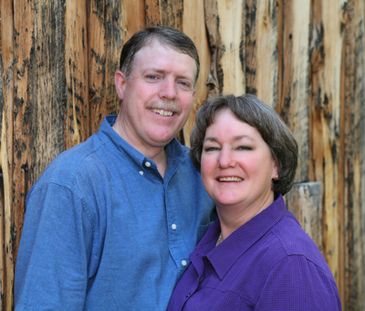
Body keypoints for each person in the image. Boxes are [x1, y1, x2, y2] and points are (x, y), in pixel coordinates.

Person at [14, 26, 214, 310]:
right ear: (122, 84)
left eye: (182, 82)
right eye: (153, 77)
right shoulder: (71, 184)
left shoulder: (202, 173)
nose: (169, 93)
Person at [168, 94, 342, 310]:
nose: (224, 161)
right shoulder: (207, 241)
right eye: (212, 148)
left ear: (276, 165)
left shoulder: (291, 267)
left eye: (243, 147)